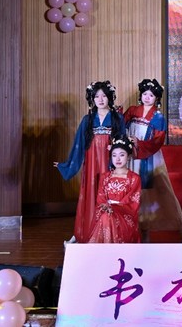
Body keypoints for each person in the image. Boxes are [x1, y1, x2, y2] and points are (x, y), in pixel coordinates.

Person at [55, 81, 124, 244]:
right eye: (97, 96)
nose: (100, 99)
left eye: (104, 96)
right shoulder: (88, 119)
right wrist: (67, 165)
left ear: (110, 98)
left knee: (109, 194)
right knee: (91, 193)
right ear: (92, 99)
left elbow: (122, 141)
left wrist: (116, 148)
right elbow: (78, 144)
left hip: (109, 162)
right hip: (92, 162)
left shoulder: (117, 118)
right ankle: (84, 232)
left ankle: (110, 234)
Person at [124, 78, 182, 243]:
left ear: (157, 98)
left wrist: (139, 144)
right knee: (135, 193)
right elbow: (121, 127)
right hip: (132, 158)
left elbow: (157, 140)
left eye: (151, 95)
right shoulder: (132, 111)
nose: (147, 97)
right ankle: (141, 232)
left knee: (160, 193)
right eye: (145, 94)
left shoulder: (158, 117)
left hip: (150, 158)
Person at [87, 136, 141, 243]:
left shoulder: (134, 178)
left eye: (122, 155)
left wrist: (114, 208)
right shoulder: (105, 177)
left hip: (124, 214)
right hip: (106, 212)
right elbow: (101, 198)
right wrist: (106, 207)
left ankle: (109, 249)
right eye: (114, 155)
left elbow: (133, 201)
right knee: (106, 216)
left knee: (108, 217)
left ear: (129, 156)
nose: (118, 159)